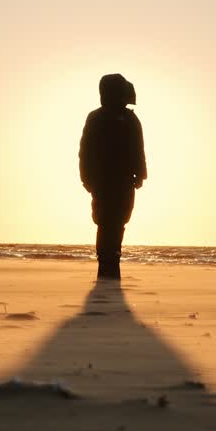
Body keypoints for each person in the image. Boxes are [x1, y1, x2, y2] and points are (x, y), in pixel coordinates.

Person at [79, 74, 147, 280]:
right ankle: (107, 260)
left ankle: (111, 259)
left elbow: (138, 148)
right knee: (107, 221)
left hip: (119, 179)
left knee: (116, 221)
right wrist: (87, 178)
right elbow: (86, 150)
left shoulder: (128, 118)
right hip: (105, 180)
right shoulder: (99, 117)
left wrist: (141, 173)